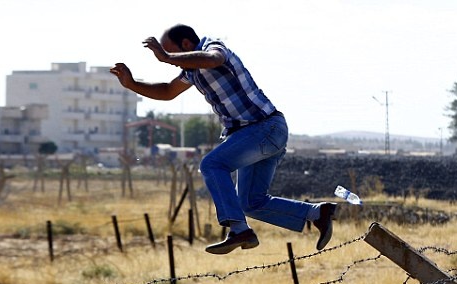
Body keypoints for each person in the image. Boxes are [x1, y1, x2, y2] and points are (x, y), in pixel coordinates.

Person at [110, 24, 336, 255]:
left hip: (264, 128)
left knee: (212, 164)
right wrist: (132, 84)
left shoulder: (213, 47)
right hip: (254, 136)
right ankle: (317, 213)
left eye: (175, 53)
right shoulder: (190, 70)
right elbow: (168, 91)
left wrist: (167, 57)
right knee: (251, 203)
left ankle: (239, 230)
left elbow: (213, 59)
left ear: (186, 44)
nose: (175, 61)